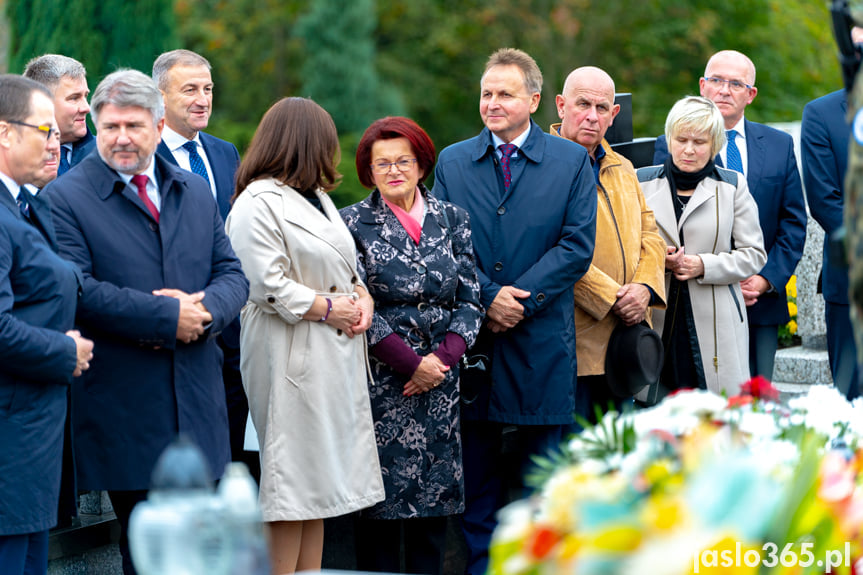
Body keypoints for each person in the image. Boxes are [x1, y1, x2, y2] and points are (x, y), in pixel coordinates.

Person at [42, 69, 248, 575]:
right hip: (126, 408)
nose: (121, 138)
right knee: (152, 559)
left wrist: (203, 312)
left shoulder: (194, 190)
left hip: (200, 402)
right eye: (109, 126)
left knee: (206, 558)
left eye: (133, 125)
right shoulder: (65, 199)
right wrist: (165, 317)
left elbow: (232, 274)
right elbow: (78, 289)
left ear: (158, 125)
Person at [433, 48, 597, 575]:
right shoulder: (453, 161)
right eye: (486, 93)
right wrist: (486, 296)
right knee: (475, 482)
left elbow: (575, 247)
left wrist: (516, 300)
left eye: (505, 94)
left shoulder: (571, 161)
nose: (493, 103)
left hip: (542, 344)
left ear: (532, 100)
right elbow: (444, 248)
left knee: (542, 484)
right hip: (474, 347)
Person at [225, 97, 384, 574]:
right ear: (307, 143)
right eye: (329, 143)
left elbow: (344, 266)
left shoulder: (316, 197)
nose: (334, 154)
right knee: (289, 485)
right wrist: (330, 307)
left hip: (329, 353)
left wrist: (363, 298)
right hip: (287, 351)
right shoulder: (257, 201)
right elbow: (264, 284)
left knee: (317, 490)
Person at [340, 117, 483, 574]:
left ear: (422, 165)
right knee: (378, 522)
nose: (393, 170)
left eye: (403, 160)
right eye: (382, 163)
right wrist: (410, 365)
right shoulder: (350, 224)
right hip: (384, 388)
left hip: (442, 386)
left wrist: (440, 362)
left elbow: (471, 296)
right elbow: (358, 304)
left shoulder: (453, 218)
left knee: (433, 518)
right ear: (368, 170)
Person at [654, 50, 806, 381]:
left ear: (750, 94)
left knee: (754, 402)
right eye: (716, 80)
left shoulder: (779, 145)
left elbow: (793, 222)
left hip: (760, 300)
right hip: (693, 301)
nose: (724, 89)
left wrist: (765, 279)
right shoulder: (671, 145)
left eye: (735, 83)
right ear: (702, 85)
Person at [0, 74, 93, 575]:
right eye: (43, 129)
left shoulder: (29, 203)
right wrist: (64, 350)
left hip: (34, 437)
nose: (54, 141)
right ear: (4, 134)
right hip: (9, 439)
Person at [152, 48, 250, 472]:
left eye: (208, 89)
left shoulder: (225, 152)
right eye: (189, 89)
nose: (202, 99)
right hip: (176, 322)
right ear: (159, 96)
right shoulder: (145, 156)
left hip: (232, 322)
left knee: (231, 451)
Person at [550, 66, 666, 418]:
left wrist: (645, 287)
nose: (591, 116)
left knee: (621, 459)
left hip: (625, 346)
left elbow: (652, 236)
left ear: (614, 114)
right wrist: (612, 297)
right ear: (560, 105)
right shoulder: (542, 167)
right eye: (582, 104)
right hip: (575, 344)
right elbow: (551, 248)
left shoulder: (624, 167)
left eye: (602, 108)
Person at [638, 96, 766, 398]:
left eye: (700, 141)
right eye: (681, 139)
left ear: (715, 144)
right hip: (657, 316)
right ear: (669, 138)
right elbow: (626, 248)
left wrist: (703, 265)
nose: (689, 149)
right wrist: (659, 259)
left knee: (716, 415)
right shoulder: (640, 182)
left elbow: (754, 254)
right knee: (655, 411)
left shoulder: (733, 185)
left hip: (716, 319)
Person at [23, 54, 96, 175]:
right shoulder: (11, 162)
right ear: (41, 103)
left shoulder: (105, 157)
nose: (86, 108)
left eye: (85, 96)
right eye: (74, 98)